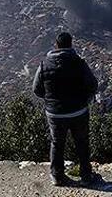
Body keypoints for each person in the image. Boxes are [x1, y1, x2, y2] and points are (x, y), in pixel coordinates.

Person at [32, 32, 99, 187]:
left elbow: (36, 89)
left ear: (56, 44)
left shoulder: (44, 64)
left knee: (57, 143)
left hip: (55, 114)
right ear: (71, 44)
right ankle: (86, 176)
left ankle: (57, 176)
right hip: (78, 112)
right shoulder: (79, 63)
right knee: (82, 143)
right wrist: (85, 99)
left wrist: (51, 101)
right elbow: (93, 85)